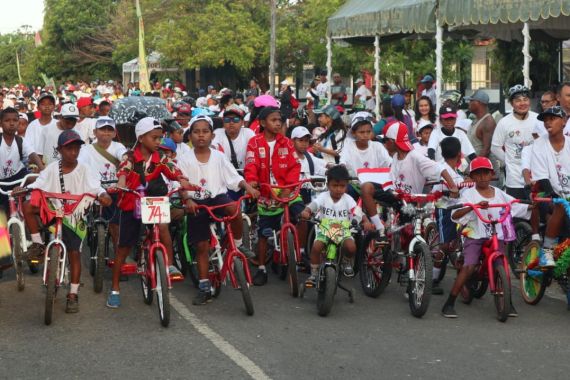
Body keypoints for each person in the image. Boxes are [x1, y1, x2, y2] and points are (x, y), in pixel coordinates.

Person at [21, 130, 112, 313]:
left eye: (76, 148)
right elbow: (39, 184)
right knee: (27, 205)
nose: (73, 152)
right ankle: (38, 244)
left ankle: (73, 294)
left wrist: (103, 194)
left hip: (75, 216)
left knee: (74, 254)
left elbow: (96, 187)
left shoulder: (85, 169)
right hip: (55, 212)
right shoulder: (53, 169)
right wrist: (24, 188)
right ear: (60, 150)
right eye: (69, 149)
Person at [106, 117, 192, 308]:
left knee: (162, 227)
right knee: (123, 248)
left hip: (153, 199)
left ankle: (168, 265)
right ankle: (114, 288)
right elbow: (123, 170)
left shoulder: (160, 157)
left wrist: (182, 179)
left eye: (160, 138)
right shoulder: (130, 156)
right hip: (132, 201)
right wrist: (121, 183)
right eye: (155, 138)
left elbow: (173, 170)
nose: (158, 142)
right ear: (141, 137)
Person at [177, 115, 259, 304]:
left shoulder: (219, 156)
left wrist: (249, 188)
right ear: (190, 136)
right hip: (197, 201)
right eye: (196, 132)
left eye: (205, 131)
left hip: (217, 197)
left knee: (234, 208)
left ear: (212, 136)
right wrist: (187, 199)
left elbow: (234, 178)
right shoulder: (184, 159)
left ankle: (238, 244)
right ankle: (204, 286)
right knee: (202, 246)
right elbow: (180, 182)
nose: (201, 136)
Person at [444, 157, 531, 318]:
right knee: (469, 266)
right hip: (475, 234)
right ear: (472, 176)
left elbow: (516, 205)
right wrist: (473, 207)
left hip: (496, 235)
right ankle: (449, 302)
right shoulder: (469, 194)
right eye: (478, 174)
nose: (482, 177)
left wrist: (532, 204)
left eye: (486, 173)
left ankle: (508, 302)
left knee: (502, 264)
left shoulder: (499, 194)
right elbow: (455, 214)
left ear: (492, 175)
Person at [244, 107, 302, 286]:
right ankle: (262, 267)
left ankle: (298, 252)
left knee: (303, 215)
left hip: (288, 190)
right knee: (264, 232)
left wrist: (288, 187)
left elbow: (295, 167)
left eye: (280, 120)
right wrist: (252, 182)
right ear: (262, 123)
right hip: (266, 193)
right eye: (273, 120)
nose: (278, 123)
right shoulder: (254, 142)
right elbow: (251, 165)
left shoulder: (287, 143)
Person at [300, 165, 373, 286]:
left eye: (342, 186)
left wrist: (365, 221)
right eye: (335, 185)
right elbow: (314, 205)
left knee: (351, 248)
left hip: (343, 230)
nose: (338, 189)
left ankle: (346, 261)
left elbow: (357, 212)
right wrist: (307, 211)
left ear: (346, 186)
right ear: (328, 185)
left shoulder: (348, 199)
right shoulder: (323, 196)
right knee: (316, 247)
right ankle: (314, 272)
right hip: (325, 229)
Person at [78, 117, 127, 250]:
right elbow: (80, 163)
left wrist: (126, 158)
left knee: (116, 224)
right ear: (95, 132)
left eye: (109, 129)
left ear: (114, 133)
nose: (106, 132)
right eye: (102, 129)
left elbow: (123, 155)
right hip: (94, 189)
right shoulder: (86, 149)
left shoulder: (118, 147)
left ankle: (118, 252)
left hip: (114, 190)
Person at [531, 106, 570, 267]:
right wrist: (554, 195)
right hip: (546, 194)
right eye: (546, 120)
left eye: (552, 118)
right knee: (561, 204)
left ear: (564, 121)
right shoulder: (539, 144)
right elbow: (542, 177)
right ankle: (547, 250)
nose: (548, 122)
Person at [340, 113, 392, 235]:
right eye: (361, 132)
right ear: (353, 133)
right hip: (354, 185)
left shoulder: (377, 146)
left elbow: (389, 163)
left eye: (368, 132)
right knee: (345, 193)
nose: (365, 135)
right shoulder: (348, 146)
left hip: (376, 186)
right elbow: (343, 162)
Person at [384, 121, 459, 197]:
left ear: (391, 141)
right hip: (396, 197)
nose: (384, 144)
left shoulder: (414, 156)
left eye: (384, 140)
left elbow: (440, 168)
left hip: (410, 203)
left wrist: (453, 187)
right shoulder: (395, 157)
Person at [431, 137, 464, 295]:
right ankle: (433, 278)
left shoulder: (458, 170)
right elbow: (438, 189)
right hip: (445, 210)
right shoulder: (441, 169)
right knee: (444, 246)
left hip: (460, 210)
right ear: (459, 153)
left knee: (459, 242)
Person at [491, 85, 537, 199]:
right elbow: (495, 147)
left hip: (537, 176)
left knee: (538, 213)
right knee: (517, 213)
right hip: (514, 179)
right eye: (518, 100)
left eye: (525, 99)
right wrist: (508, 159)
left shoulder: (538, 119)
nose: (522, 103)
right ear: (511, 103)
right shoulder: (504, 122)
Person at [0, 108, 44, 210]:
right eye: (7, 120)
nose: (11, 124)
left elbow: (32, 154)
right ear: (1, 123)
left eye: (15, 121)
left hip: (18, 176)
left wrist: (42, 168)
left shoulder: (20, 141)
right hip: (1, 181)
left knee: (39, 180)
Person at [212, 104, 255, 174]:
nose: (231, 122)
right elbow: (213, 151)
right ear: (223, 122)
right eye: (227, 119)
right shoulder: (217, 133)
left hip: (246, 176)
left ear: (242, 122)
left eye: (236, 119)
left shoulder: (248, 133)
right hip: (224, 176)